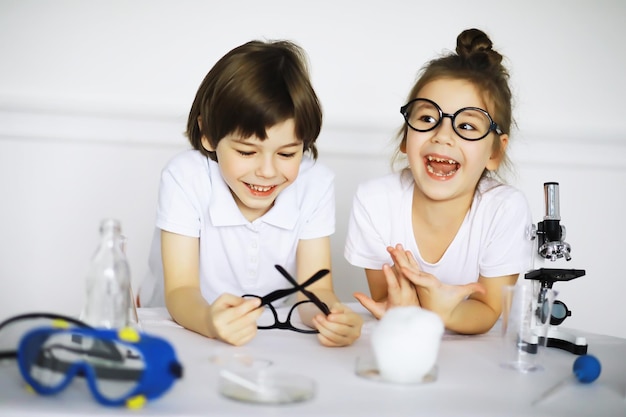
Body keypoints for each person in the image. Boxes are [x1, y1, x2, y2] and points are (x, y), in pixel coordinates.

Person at [139, 39, 363, 347]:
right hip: (180, 328)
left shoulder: (315, 183)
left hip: (270, 335)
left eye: (286, 154)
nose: (268, 171)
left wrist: (331, 316)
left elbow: (316, 290)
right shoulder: (186, 177)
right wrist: (210, 322)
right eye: (247, 151)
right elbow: (180, 291)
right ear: (208, 135)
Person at [344, 28, 533, 335]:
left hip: (475, 358)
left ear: (495, 152)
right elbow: (386, 298)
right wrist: (408, 310)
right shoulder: (375, 201)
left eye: (468, 125)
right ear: (406, 138)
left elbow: (488, 311)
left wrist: (441, 311)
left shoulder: (504, 209)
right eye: (427, 119)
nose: (443, 135)